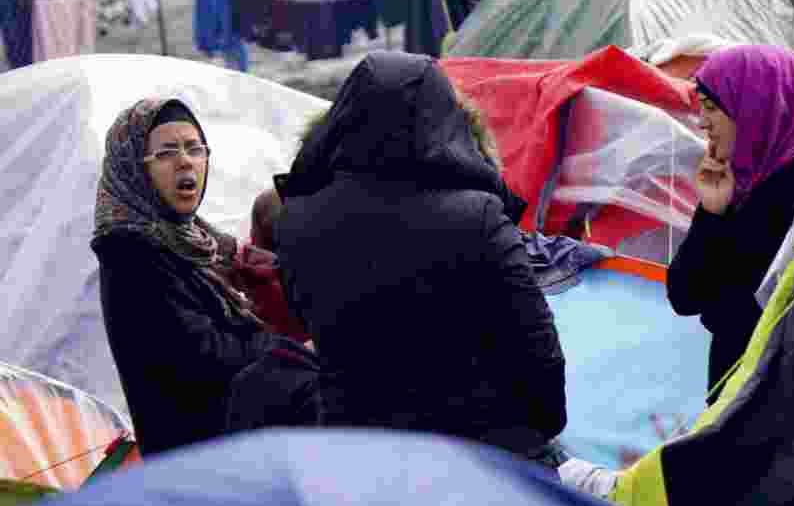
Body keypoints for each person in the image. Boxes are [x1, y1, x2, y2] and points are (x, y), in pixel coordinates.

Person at [274, 51, 568, 461]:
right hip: (480, 452)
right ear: (443, 118)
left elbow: (310, 322)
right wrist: (541, 428)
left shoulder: (296, 220)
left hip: (358, 451)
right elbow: (537, 348)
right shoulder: (478, 217)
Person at [91, 98, 308, 456]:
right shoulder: (129, 253)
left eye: (195, 149)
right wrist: (290, 349)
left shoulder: (194, 241)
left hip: (231, 445)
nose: (185, 161)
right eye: (166, 153)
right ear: (133, 168)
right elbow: (202, 355)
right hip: (192, 458)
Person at [667, 46, 794, 405]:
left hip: (772, 411)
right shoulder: (750, 181)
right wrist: (712, 210)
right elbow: (684, 294)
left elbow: (726, 308)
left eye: (711, 107)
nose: (702, 121)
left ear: (756, 105)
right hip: (745, 398)